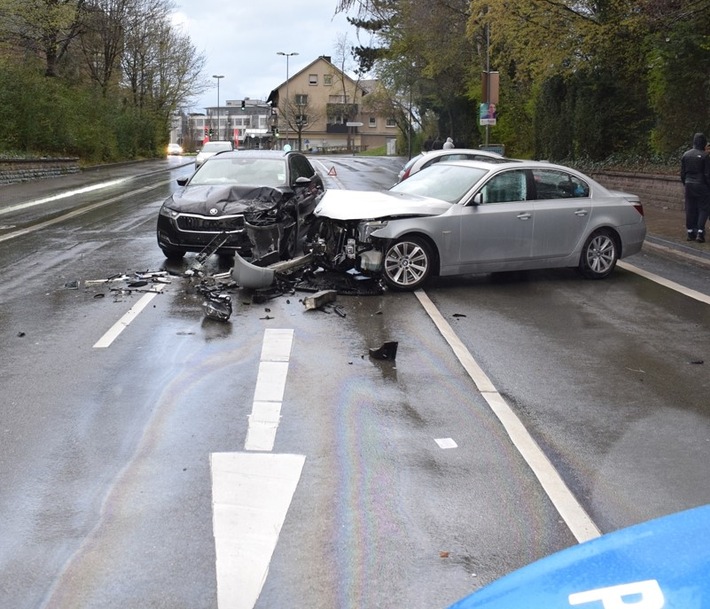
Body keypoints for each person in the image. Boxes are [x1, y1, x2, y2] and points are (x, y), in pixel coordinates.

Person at [680, 132, 710, 242]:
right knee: (703, 208)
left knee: (689, 208)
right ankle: (700, 233)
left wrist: (686, 183)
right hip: (702, 185)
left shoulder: (686, 154)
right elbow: (707, 174)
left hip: (689, 184)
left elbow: (682, 173)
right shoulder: (705, 156)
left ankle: (690, 233)